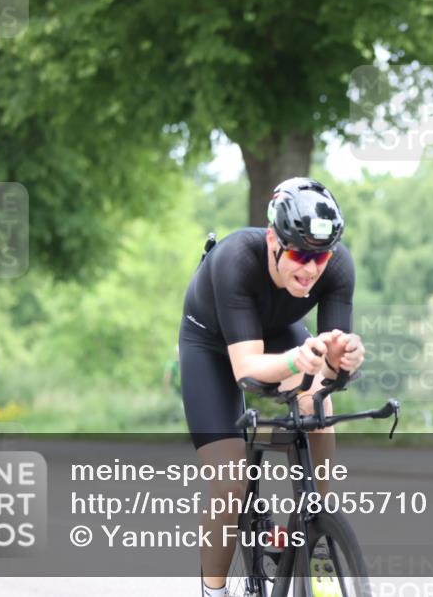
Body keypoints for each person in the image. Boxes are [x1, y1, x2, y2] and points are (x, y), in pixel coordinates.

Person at [178, 177, 366, 597]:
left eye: (321, 257)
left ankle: (315, 525)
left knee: (317, 407)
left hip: (278, 332)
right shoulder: (236, 259)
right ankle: (214, 590)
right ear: (271, 239)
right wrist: (295, 361)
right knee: (230, 479)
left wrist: (342, 359)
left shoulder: (336, 267)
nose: (310, 269)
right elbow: (245, 368)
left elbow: (330, 372)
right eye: (299, 253)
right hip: (209, 345)